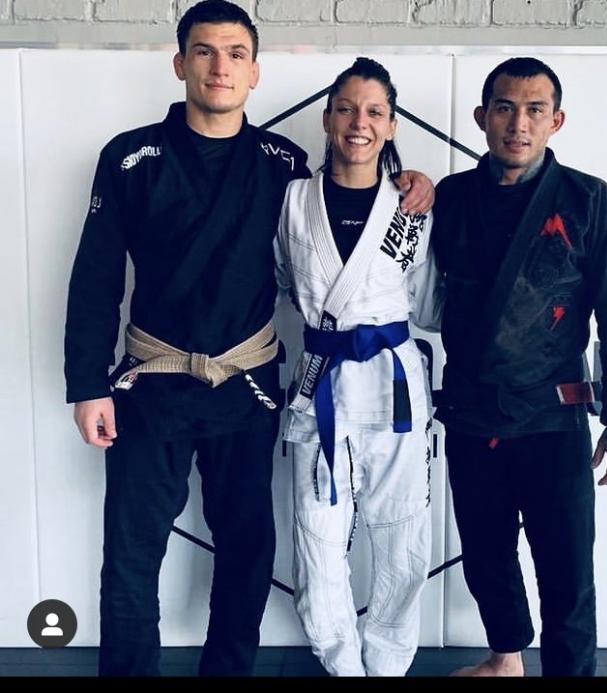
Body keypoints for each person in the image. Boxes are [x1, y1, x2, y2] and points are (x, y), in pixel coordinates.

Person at [64, 0, 432, 677]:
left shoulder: (281, 164)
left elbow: (345, 206)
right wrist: (87, 383)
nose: (220, 67)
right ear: (180, 64)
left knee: (247, 548)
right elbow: (95, 277)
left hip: (247, 385)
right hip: (150, 381)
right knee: (132, 550)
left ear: (255, 71)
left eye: (236, 53)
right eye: (204, 51)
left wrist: (408, 183)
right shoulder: (130, 158)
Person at [432, 57, 607, 677]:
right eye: (505, 108)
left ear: (556, 121)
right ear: (483, 116)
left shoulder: (588, 200)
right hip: (472, 410)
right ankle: (506, 659)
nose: (518, 124)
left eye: (534, 110)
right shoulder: (451, 199)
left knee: (567, 571)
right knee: (485, 555)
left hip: (554, 416)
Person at [274, 57, 441, 677]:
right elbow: (283, 280)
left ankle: (389, 667)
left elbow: (428, 302)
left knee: (402, 539)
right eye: (346, 109)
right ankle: (344, 667)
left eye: (374, 112)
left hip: (395, 390)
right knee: (316, 541)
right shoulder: (293, 200)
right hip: (319, 382)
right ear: (327, 118)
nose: (358, 123)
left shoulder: (411, 206)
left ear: (392, 125)